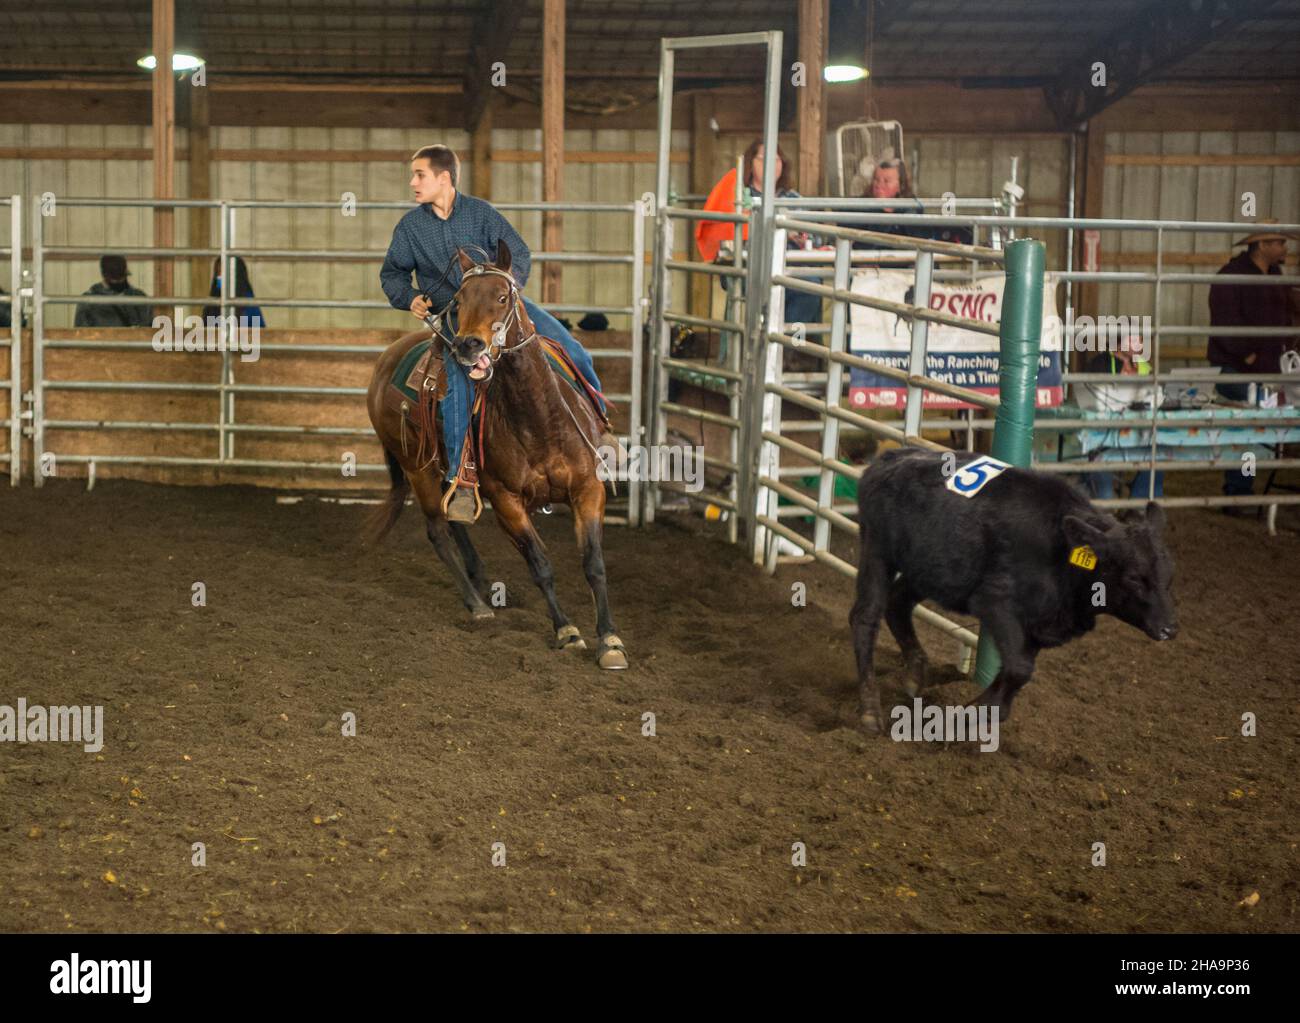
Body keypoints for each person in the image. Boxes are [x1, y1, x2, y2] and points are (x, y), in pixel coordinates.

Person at [380, 143, 610, 522]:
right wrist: (410, 298)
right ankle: (462, 480)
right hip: (456, 314)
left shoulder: (481, 214)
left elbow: (518, 253)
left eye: (419, 175)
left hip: (501, 307)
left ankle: (600, 428)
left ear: (444, 178)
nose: (413, 183)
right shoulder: (411, 228)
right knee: (457, 386)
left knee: (572, 349)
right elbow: (392, 273)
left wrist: (503, 288)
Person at [1208, 222, 1298, 506]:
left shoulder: (1275, 275)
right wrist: (1247, 355)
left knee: (1256, 419)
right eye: (1279, 243)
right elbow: (1224, 321)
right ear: (1263, 245)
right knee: (1251, 417)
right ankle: (1238, 490)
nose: (1285, 248)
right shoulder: (1231, 276)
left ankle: (1241, 488)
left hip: (1268, 366)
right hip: (1236, 366)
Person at [696, 140, 822, 328]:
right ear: (750, 163)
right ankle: (768, 343)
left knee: (811, 287)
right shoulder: (737, 196)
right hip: (750, 269)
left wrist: (804, 238)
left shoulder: (793, 199)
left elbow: (817, 237)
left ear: (783, 164)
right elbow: (727, 235)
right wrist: (780, 231)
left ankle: (782, 346)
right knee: (765, 290)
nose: (771, 164)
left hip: (788, 268)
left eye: (776, 159)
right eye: (763, 158)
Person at [1082, 344, 1164, 501]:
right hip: (1105, 434)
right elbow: (1093, 397)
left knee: (1157, 453)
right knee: (1103, 490)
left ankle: (1138, 505)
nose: (1140, 345)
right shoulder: (1100, 362)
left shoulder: (1143, 364)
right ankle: (1104, 505)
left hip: (1138, 429)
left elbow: (1154, 393)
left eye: (1140, 340)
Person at [74, 255, 152, 327]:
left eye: (121, 277)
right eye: (115, 278)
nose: (119, 281)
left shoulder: (139, 298)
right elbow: (80, 334)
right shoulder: (89, 302)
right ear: (104, 275)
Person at [202, 255, 266, 328]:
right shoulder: (212, 301)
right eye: (218, 273)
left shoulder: (247, 301)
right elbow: (205, 331)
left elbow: (259, 332)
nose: (220, 277)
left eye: (225, 273)